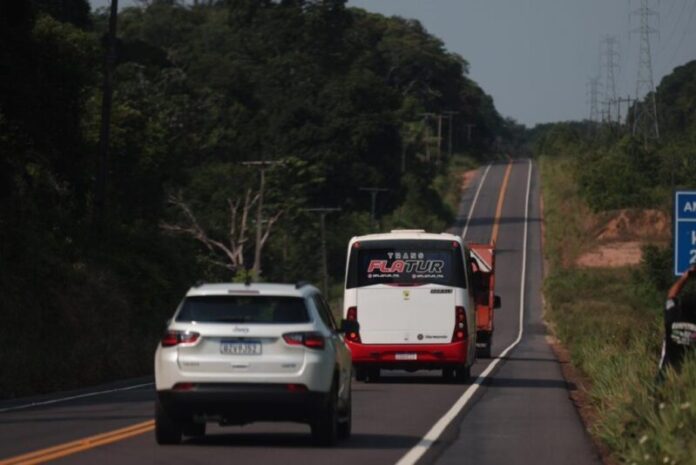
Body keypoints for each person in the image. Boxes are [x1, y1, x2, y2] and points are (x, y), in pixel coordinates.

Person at [657, 264, 696, 378]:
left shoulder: (672, 315)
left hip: (665, 373)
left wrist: (685, 276)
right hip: (689, 375)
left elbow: (671, 295)